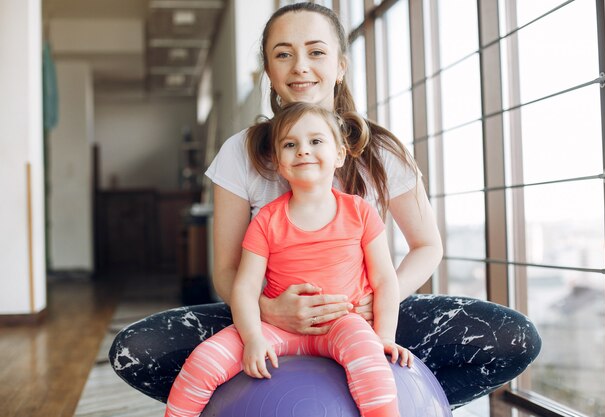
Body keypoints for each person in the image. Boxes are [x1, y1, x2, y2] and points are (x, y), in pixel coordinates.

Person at [109, 2, 541, 409]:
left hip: (367, 316)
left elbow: (427, 245)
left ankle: (406, 401)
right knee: (136, 350)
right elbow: (225, 271)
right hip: (266, 319)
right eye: (283, 54)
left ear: (339, 65)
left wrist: (377, 303)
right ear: (269, 70)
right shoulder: (241, 152)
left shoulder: (382, 151)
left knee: (514, 337)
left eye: (316, 51)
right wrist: (268, 310)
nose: (300, 66)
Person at [165, 102, 413, 417]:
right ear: (279, 163)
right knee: (204, 359)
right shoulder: (266, 220)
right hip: (278, 329)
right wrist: (253, 337)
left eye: (316, 141)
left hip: (344, 324)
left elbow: (384, 280)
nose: (303, 151)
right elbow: (244, 288)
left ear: (339, 155)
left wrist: (384, 336)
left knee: (371, 358)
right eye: (290, 144)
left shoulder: (361, 212)